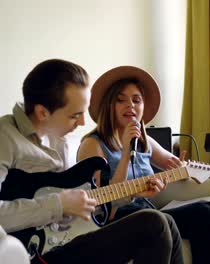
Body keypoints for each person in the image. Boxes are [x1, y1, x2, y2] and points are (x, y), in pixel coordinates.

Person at [0, 59, 184, 264]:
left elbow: (77, 207)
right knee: (153, 222)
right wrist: (58, 204)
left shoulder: (56, 137)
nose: (82, 123)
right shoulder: (5, 137)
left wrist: (132, 193)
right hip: (32, 253)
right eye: (75, 115)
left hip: (64, 240)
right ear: (42, 112)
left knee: (166, 221)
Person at [77, 65, 210, 264]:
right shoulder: (93, 144)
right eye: (120, 100)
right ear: (109, 105)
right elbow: (102, 203)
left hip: (149, 211)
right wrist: (126, 153)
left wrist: (181, 169)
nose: (130, 106)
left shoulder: (145, 140)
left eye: (136, 100)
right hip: (121, 220)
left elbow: (172, 163)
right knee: (203, 215)